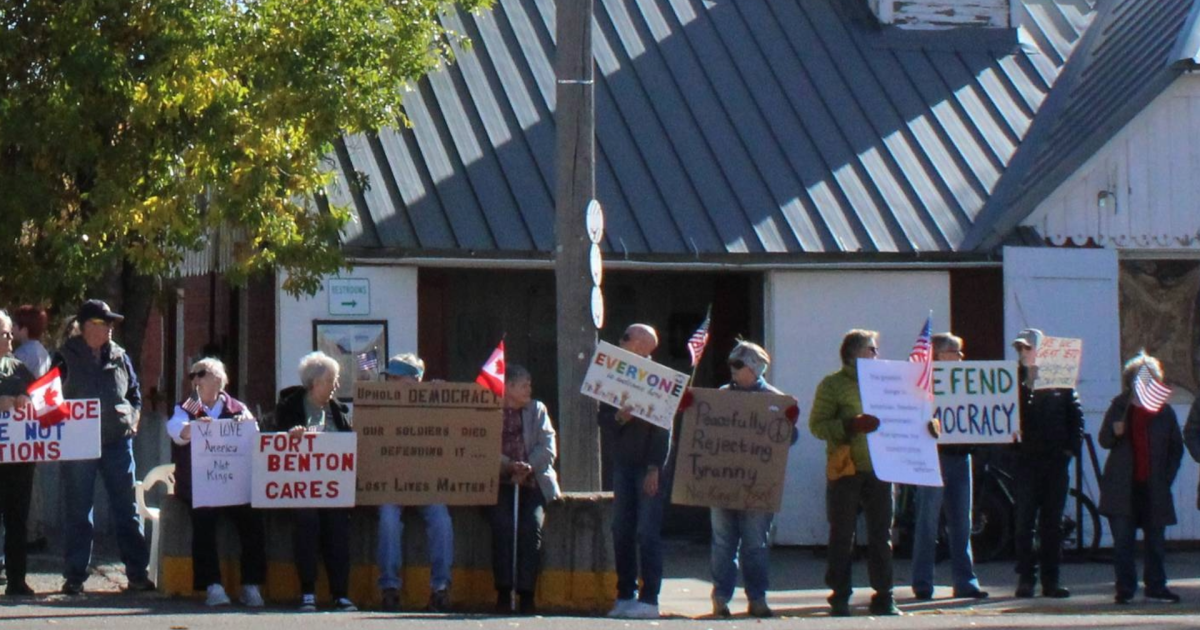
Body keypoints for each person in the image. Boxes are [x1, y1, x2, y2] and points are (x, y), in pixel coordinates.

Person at [55, 299, 152, 595]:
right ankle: (75, 576)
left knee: (127, 508)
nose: (110, 328)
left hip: (117, 441)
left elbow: (134, 394)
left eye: (111, 323)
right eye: (103, 322)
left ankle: (137, 574)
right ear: (86, 327)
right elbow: (46, 398)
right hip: (78, 443)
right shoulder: (63, 357)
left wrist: (134, 419)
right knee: (79, 510)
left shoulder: (120, 356)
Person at [809, 329, 897, 617]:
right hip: (846, 469)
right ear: (853, 353)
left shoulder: (887, 382)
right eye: (871, 349)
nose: (876, 355)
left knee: (881, 534)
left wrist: (927, 425)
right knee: (841, 534)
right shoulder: (832, 385)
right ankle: (840, 595)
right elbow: (817, 426)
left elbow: (906, 413)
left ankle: (884, 595)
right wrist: (850, 425)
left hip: (880, 469)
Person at [166, 357, 267, 607]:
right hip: (199, 486)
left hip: (232, 486)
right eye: (193, 375)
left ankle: (251, 585)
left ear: (219, 380)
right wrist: (194, 428)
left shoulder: (238, 408)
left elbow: (254, 439)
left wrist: (245, 427)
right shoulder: (187, 407)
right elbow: (176, 430)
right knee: (203, 521)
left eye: (202, 374)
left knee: (252, 521)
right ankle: (212, 585)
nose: (196, 380)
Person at [709, 341, 795, 618]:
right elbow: (703, 431)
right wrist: (692, 407)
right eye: (731, 364)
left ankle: (757, 598)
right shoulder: (720, 395)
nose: (732, 370)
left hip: (757, 485)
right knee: (723, 542)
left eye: (738, 364)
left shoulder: (775, 399)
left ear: (755, 368)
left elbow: (789, 440)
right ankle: (721, 598)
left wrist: (788, 421)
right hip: (723, 482)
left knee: (755, 543)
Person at [269, 351, 356, 612]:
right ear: (314, 383)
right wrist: (289, 435)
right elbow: (273, 442)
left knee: (338, 524)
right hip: (299, 487)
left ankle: (340, 594)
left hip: (331, 487)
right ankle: (308, 591)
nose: (336, 386)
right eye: (332, 380)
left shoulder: (338, 411)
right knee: (307, 520)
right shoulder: (289, 407)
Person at [1099, 353, 1183, 604]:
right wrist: (1115, 433)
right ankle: (1125, 588)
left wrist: (1166, 478)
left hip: (1154, 486)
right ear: (1132, 380)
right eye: (1142, 378)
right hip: (1123, 486)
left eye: (1153, 378)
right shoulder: (1119, 406)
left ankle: (1156, 586)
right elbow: (1104, 440)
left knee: (1155, 543)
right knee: (1123, 543)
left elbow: (1175, 448)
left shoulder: (1164, 411)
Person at [910, 333, 988, 601]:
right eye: (955, 351)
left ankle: (965, 581)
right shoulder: (923, 383)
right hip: (933, 457)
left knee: (961, 523)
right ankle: (922, 583)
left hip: (961, 456)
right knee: (927, 522)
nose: (960, 357)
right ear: (940, 354)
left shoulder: (967, 382)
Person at [375, 353, 454, 612]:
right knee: (388, 520)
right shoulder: (380, 403)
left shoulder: (431, 401)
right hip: (390, 481)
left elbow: (457, 434)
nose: (391, 383)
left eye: (396, 378)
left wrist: (443, 400)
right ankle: (390, 588)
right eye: (390, 378)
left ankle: (440, 588)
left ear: (413, 380)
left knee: (441, 521)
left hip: (426, 481)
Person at [600, 324, 669, 619]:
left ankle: (650, 598)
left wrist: (655, 467)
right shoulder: (613, 374)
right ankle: (625, 594)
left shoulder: (660, 381)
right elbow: (603, 418)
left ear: (643, 346)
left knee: (648, 532)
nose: (621, 341)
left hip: (647, 465)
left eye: (627, 338)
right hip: (623, 464)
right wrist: (620, 415)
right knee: (622, 531)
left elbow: (664, 429)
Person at [1011, 328, 1082, 599]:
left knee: (1051, 524)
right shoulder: (1012, 380)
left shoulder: (1059, 379)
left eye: (1027, 348)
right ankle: (1026, 578)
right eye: (1020, 349)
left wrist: (1068, 450)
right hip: (1026, 461)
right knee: (1024, 523)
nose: (1023, 353)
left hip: (1054, 462)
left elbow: (1075, 416)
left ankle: (1051, 581)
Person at [489, 365, 560, 614]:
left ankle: (527, 593)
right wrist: (508, 466)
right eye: (523, 384)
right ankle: (503, 590)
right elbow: (480, 445)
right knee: (502, 524)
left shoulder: (537, 410)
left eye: (529, 384)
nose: (529, 389)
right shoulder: (490, 410)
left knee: (531, 526)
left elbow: (548, 447)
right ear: (508, 387)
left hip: (532, 482)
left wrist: (528, 465)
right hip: (500, 482)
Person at [0, 310, 36, 596]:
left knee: (17, 519)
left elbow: (42, 400)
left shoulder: (19, 368)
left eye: (11, 332)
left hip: (18, 459)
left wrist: (27, 399)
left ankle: (16, 580)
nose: (10, 338)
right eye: (4, 333)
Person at [13, 306, 50, 378]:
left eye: (14, 325)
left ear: (24, 330)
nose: (12, 328)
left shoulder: (23, 353)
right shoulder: (44, 353)